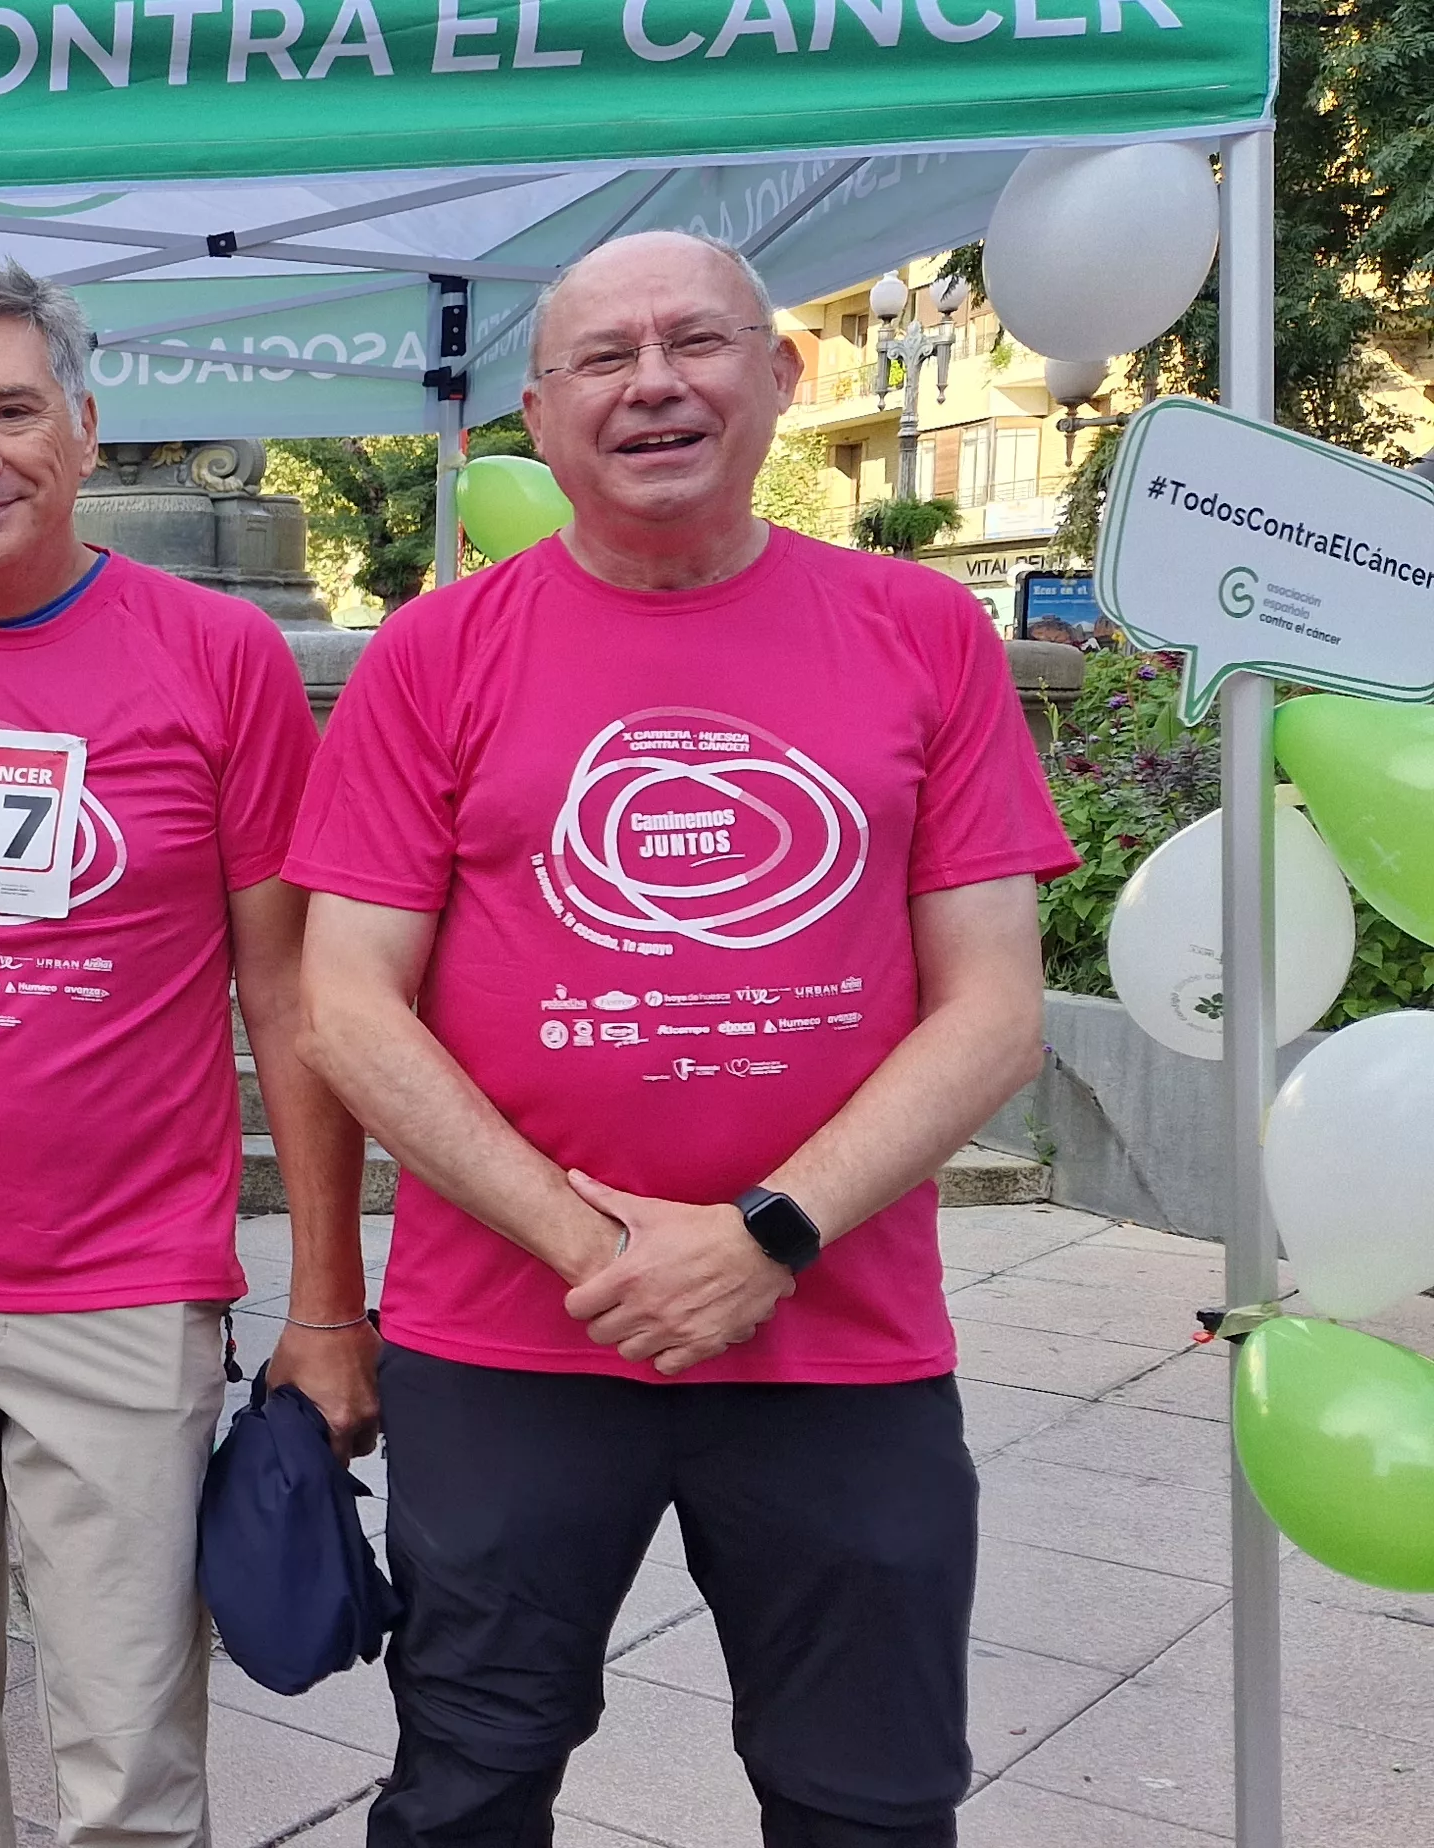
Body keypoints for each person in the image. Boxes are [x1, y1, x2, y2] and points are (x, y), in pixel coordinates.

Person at [287, 232, 1074, 1848]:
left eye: (697, 341)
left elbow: (993, 1003)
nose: (654, 381)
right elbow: (343, 1000)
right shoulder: (436, 652)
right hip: (510, 1339)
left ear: (780, 378)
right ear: (539, 408)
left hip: (840, 1337)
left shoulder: (924, 632)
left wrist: (765, 1232)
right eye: (604, 356)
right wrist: (603, 1246)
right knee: (468, 1783)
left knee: (871, 1793)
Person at [0, 261, 373, 1848]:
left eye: (10, 411)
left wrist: (328, 1304)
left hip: (122, 1288)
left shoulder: (221, 656)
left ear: (87, 428)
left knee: (129, 1767)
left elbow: (290, 997)